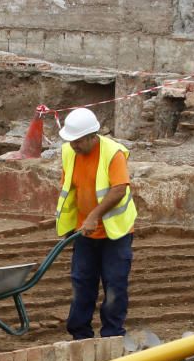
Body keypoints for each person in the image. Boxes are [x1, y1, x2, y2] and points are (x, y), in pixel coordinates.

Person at [54, 107, 138, 340]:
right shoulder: (69, 152)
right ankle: (80, 336)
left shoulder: (113, 153)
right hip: (84, 233)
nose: (74, 145)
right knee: (82, 284)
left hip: (115, 234)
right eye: (71, 141)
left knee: (114, 286)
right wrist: (70, 224)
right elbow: (69, 189)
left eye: (78, 141)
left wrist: (94, 216)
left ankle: (112, 335)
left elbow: (119, 189)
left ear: (93, 137)